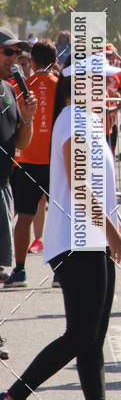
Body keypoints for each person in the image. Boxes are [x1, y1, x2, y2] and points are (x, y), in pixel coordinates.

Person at [0, 59, 121, 400]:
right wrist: (114, 233)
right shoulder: (72, 119)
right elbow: (79, 183)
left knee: (92, 337)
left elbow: (102, 188)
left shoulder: (90, 121)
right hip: (76, 240)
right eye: (101, 81)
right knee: (80, 334)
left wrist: (119, 231)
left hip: (93, 240)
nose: (109, 88)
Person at [5, 40, 59, 287]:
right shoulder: (62, 86)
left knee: (24, 217)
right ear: (55, 61)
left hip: (26, 161)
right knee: (59, 216)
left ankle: (20, 270)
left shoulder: (18, 85)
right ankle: (60, 273)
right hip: (55, 162)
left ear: (33, 61)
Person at [0, 28, 37, 285]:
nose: (15, 58)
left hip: (4, 184)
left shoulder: (10, 89)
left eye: (17, 53)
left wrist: (27, 117)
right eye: (8, 52)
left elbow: (21, 142)